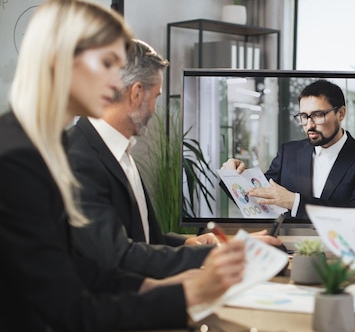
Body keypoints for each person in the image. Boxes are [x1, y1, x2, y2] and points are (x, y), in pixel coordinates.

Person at [0, 0, 246, 332]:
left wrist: (154, 287)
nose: (118, 83)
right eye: (108, 64)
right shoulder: (18, 160)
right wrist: (186, 294)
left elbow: (77, 269)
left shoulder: (42, 150)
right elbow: (69, 309)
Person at [65, 39, 281, 280]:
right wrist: (220, 252)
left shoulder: (119, 152)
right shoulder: (79, 158)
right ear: (136, 93)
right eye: (156, 96)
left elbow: (143, 239)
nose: (155, 108)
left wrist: (188, 242)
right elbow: (119, 255)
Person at [222, 79, 355, 219]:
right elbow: (259, 196)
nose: (309, 125)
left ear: (341, 113)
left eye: (318, 115)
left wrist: (294, 201)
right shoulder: (289, 152)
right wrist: (232, 176)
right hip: (290, 244)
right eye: (304, 117)